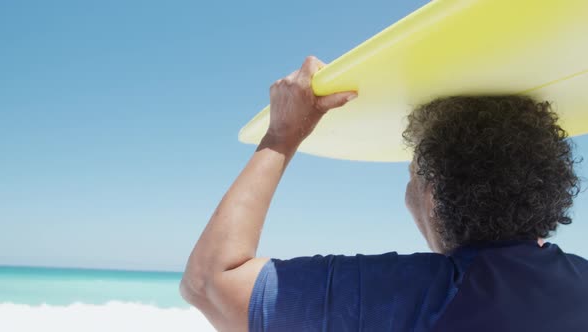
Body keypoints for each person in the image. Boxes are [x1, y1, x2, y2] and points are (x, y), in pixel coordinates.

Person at [180, 56, 588, 331]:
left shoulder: (421, 296)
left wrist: (282, 136)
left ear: (431, 191)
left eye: (411, 175)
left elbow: (208, 283)